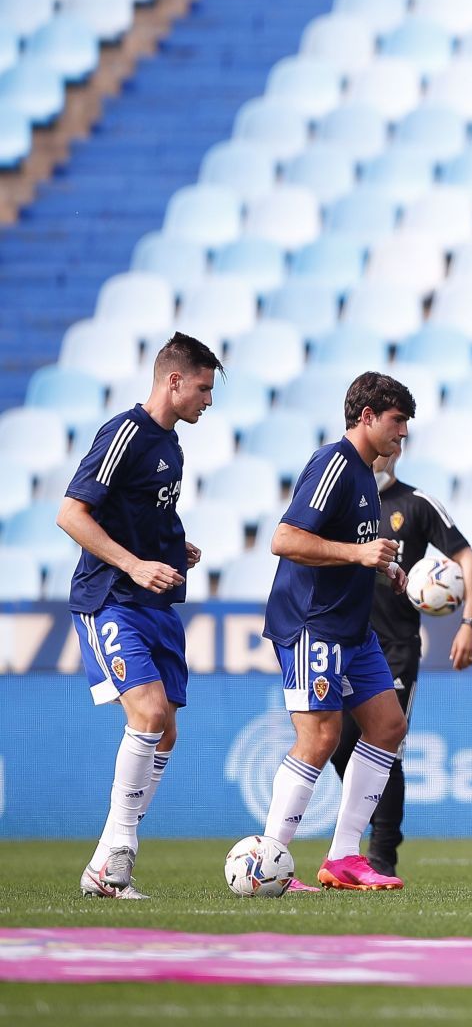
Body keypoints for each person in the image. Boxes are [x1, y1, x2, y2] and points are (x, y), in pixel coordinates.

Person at [58, 332, 221, 898]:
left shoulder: (172, 446)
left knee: (166, 732)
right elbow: (72, 514)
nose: (207, 400)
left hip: (153, 602)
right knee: (148, 713)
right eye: (202, 388)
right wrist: (134, 565)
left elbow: (141, 515)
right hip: (110, 596)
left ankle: (105, 864)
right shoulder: (125, 432)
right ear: (173, 380)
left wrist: (176, 548)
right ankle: (119, 852)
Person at [258, 371, 415, 891]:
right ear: (366, 417)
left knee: (388, 725)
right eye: (397, 421)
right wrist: (359, 553)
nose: (403, 433)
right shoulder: (334, 463)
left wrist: (383, 567)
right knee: (320, 734)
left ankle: (344, 857)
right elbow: (285, 538)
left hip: (352, 627)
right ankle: (269, 860)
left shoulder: (365, 475)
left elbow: (349, 547)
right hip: (313, 622)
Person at [325, 445, 472, 880]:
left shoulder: (416, 504)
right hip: (344, 640)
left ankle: (381, 853)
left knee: (384, 743)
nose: (383, 457)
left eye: (392, 449)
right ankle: (356, 842)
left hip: (395, 646)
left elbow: (469, 560)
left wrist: (469, 621)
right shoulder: (340, 499)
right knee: (338, 744)